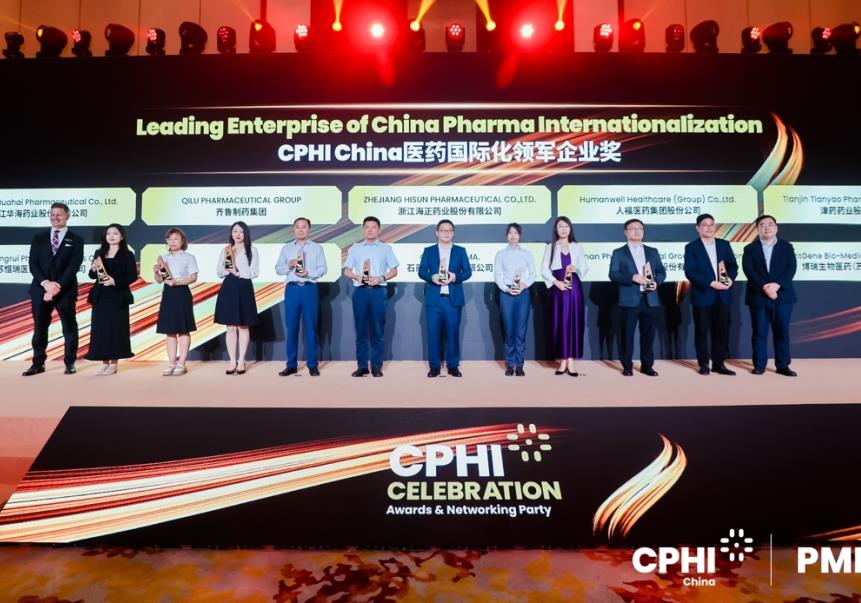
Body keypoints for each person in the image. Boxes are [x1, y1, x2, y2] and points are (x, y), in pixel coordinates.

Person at [23, 202, 84, 376]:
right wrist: (46, 284)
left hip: (65, 291)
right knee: (40, 327)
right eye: (52, 214)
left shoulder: (76, 239)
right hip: (40, 290)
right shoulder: (39, 238)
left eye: (59, 214)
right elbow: (33, 263)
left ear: (67, 216)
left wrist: (57, 286)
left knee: (69, 327)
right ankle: (38, 363)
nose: (55, 217)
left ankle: (70, 362)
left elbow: (73, 266)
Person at [609, 218, 666, 377]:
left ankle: (647, 366)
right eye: (633, 228)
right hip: (629, 300)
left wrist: (656, 282)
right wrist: (632, 277)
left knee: (648, 335)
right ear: (625, 232)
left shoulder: (652, 251)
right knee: (627, 335)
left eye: (640, 228)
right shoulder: (619, 252)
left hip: (650, 299)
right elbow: (613, 274)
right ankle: (627, 366)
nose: (637, 231)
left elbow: (661, 271)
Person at [742, 214, 798, 376]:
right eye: (762, 225)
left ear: (776, 228)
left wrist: (776, 285)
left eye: (770, 224)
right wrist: (765, 287)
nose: (766, 227)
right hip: (758, 296)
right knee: (759, 332)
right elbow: (749, 270)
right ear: (757, 229)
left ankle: (783, 365)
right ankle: (759, 365)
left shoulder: (787, 247)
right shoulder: (750, 249)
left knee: (782, 332)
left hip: (783, 296)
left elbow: (791, 269)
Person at [683, 214, 739, 376]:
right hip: (703, 294)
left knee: (721, 331)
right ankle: (704, 365)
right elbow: (690, 271)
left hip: (723, 295)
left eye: (712, 224)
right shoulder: (691, 247)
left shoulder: (724, 245)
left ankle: (719, 364)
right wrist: (710, 283)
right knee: (702, 331)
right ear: (698, 228)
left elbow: (733, 265)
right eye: (705, 225)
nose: (709, 227)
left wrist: (730, 278)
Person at [343, 216, 399, 378]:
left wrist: (381, 278)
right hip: (360, 291)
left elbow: (394, 270)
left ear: (379, 230)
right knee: (360, 331)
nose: (370, 230)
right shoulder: (355, 248)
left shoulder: (385, 248)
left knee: (377, 330)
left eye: (373, 227)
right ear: (363, 230)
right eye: (367, 227)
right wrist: (356, 276)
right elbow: (347, 271)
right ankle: (362, 366)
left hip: (378, 292)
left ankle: (376, 366)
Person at [418, 219, 473, 378]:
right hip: (434, 300)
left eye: (449, 230)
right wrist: (432, 277)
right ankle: (434, 367)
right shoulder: (429, 251)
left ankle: (453, 366)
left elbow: (468, 272)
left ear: (453, 233)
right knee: (433, 335)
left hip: (452, 300)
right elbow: (421, 271)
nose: (446, 233)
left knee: (453, 334)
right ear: (437, 233)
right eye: (443, 230)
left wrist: (455, 277)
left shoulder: (460, 251)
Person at [275, 217, 327, 377]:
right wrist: (288, 265)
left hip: (309, 288)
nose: (301, 229)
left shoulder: (317, 248)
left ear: (309, 229)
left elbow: (323, 268)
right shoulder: (287, 249)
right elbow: (278, 268)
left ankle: (312, 365)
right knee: (292, 328)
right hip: (292, 289)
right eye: (298, 227)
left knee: (311, 327)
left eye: (304, 227)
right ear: (294, 229)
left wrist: (308, 273)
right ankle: (291, 365)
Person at [85, 224, 137, 374]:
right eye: (109, 233)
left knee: (116, 330)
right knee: (100, 330)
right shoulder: (99, 252)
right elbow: (93, 275)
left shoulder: (127, 254)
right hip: (100, 296)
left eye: (115, 233)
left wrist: (114, 281)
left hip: (118, 296)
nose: (111, 236)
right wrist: (93, 269)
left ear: (122, 236)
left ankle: (113, 364)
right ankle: (104, 362)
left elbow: (132, 276)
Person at [541, 216, 589, 377]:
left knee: (575, 322)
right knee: (560, 323)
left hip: (574, 289)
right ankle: (562, 361)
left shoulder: (578, 246)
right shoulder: (550, 247)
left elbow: (585, 267)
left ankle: (571, 361)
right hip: (558, 289)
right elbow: (544, 270)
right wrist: (557, 283)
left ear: (570, 229)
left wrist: (577, 269)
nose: (563, 229)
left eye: (566, 226)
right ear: (556, 229)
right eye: (560, 226)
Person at [215, 221, 259, 375]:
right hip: (229, 287)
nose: (238, 234)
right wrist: (229, 271)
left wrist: (238, 272)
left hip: (244, 287)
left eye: (241, 231)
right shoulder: (226, 250)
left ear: (245, 234)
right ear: (231, 233)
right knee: (231, 327)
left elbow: (255, 272)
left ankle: (241, 360)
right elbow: (219, 271)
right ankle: (232, 360)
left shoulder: (252, 250)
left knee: (243, 326)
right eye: (235, 231)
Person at [493, 223, 537, 376]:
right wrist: (506, 289)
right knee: (509, 329)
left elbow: (533, 274)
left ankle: (519, 365)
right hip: (507, 293)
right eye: (510, 233)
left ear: (520, 235)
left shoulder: (527, 254)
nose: (513, 236)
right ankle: (510, 364)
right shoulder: (500, 254)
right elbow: (497, 276)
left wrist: (524, 285)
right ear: (507, 235)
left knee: (521, 330)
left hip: (523, 293)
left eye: (516, 233)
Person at [154, 227, 198, 376]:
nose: (172, 241)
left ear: (182, 241)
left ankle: (181, 363)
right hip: (168, 294)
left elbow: (193, 277)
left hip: (182, 292)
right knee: (170, 330)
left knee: (183, 329)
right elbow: (159, 280)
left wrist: (178, 282)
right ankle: (171, 363)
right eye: (170, 239)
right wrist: (156, 272)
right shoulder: (163, 258)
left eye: (176, 239)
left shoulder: (189, 257)